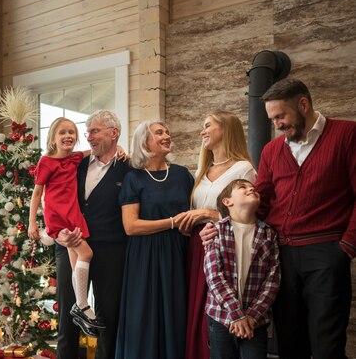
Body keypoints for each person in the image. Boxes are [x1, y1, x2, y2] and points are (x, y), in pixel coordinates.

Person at [201, 78, 356, 359]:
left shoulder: (347, 135)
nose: (277, 125)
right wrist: (220, 226)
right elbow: (261, 200)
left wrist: (346, 248)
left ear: (303, 104)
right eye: (272, 119)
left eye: (281, 116)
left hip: (326, 252)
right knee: (290, 342)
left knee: (327, 345)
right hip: (280, 254)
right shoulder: (272, 150)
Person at [178, 111, 257, 359]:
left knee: (215, 310)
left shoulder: (244, 168)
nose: (202, 131)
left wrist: (210, 214)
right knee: (197, 308)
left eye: (208, 125)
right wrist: (188, 222)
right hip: (196, 245)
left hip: (224, 246)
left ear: (226, 129)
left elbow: (250, 213)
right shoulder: (203, 170)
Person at [53, 110, 131, 359]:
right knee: (67, 319)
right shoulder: (74, 165)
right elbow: (52, 202)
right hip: (71, 249)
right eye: (87, 133)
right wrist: (58, 236)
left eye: (95, 131)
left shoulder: (129, 168)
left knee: (108, 318)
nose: (89, 137)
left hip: (111, 251)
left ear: (113, 133)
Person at [115, 120, 194, 359]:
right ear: (145, 142)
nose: (166, 135)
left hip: (178, 252)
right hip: (144, 255)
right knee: (144, 314)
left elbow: (193, 213)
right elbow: (131, 226)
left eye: (167, 132)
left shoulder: (182, 174)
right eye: (159, 133)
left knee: (176, 313)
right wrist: (172, 222)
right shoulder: (133, 178)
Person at [28, 116, 107, 336]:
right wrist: (32, 222)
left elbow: (91, 152)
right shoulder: (46, 162)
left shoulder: (74, 159)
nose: (68, 136)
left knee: (76, 264)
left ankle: (80, 307)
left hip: (73, 215)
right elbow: (37, 194)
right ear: (53, 137)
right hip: (58, 217)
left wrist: (117, 147)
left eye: (72, 132)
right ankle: (82, 306)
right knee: (87, 253)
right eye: (62, 132)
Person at [204, 179, 280, 359]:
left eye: (252, 187)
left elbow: (272, 281)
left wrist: (251, 317)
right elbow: (214, 276)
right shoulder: (217, 231)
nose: (251, 188)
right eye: (243, 187)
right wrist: (237, 316)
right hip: (221, 316)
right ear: (227, 201)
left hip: (256, 321)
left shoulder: (269, 235)